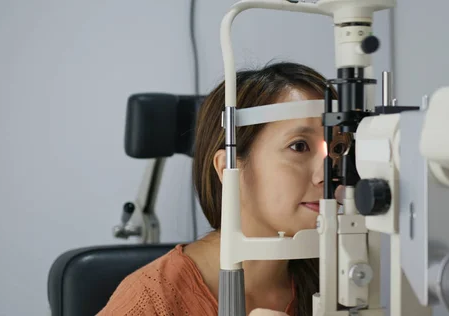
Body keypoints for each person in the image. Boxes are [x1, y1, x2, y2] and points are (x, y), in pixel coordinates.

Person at [97, 61, 344, 316]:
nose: (327, 175)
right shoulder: (151, 300)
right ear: (229, 168)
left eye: (337, 149)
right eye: (299, 146)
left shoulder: (333, 284)